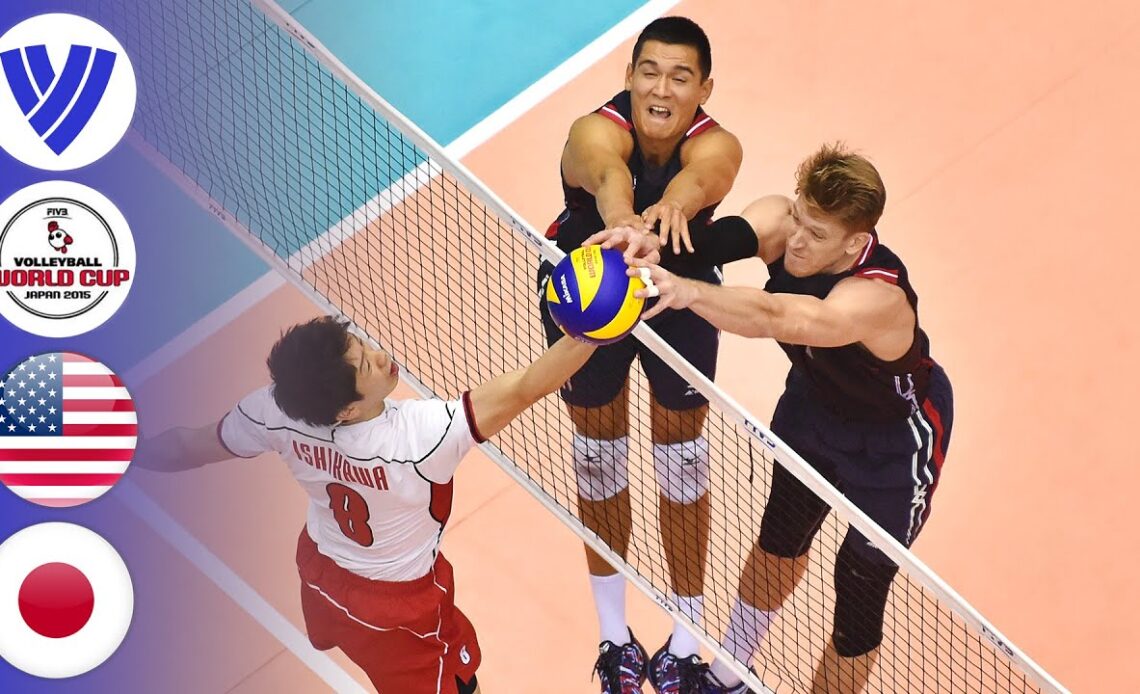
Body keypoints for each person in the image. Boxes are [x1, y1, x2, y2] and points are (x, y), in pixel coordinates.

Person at [599, 143, 954, 693]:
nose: (797, 240)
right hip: (812, 408)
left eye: (817, 234)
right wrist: (653, 243)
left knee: (859, 592)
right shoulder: (783, 225)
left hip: (892, 445)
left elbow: (777, 315)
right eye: (799, 218)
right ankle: (727, 675)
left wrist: (689, 292)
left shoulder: (876, 298)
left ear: (856, 242)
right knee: (778, 540)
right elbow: (704, 244)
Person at [136, 316, 600, 694]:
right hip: (399, 614)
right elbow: (526, 387)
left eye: (360, 342)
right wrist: (602, 326)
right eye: (366, 367)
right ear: (347, 412)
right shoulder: (418, 439)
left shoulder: (276, 410)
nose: (381, 356)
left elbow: (188, 447)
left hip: (320, 575)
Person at [539, 14, 743, 694]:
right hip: (587, 295)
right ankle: (614, 639)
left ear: (703, 88)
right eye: (650, 71)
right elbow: (605, 175)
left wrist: (667, 217)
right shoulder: (593, 129)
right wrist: (624, 222)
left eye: (681, 77)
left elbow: (701, 181)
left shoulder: (719, 145)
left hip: (675, 296)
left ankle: (685, 640)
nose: (662, 88)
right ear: (628, 77)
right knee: (598, 458)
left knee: (683, 463)